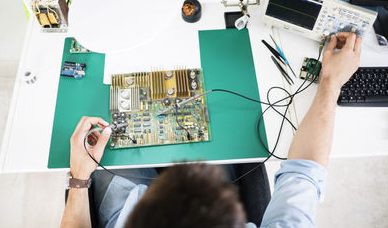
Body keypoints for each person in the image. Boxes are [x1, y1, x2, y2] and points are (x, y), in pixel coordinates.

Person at [61, 32, 362, 228]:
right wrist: (330, 83)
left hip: (123, 212)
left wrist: (78, 178)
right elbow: (304, 172)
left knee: (104, 163)